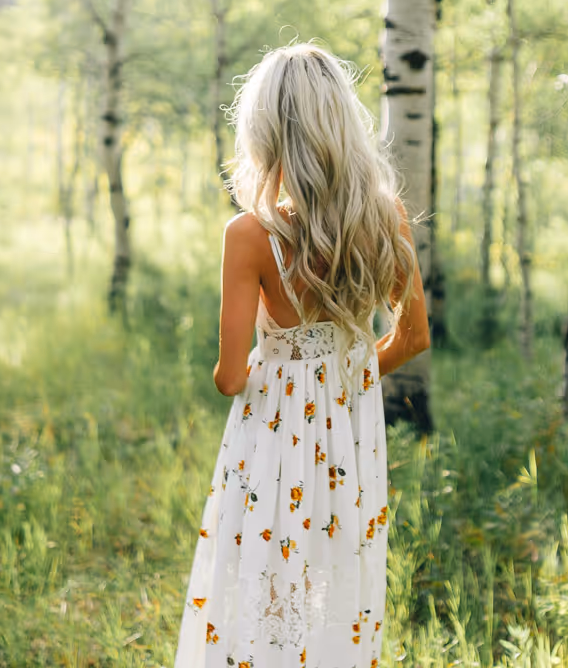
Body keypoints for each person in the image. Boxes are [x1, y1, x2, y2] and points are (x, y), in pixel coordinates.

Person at [173, 43, 430, 667]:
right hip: (348, 438)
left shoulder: (250, 235)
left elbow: (231, 378)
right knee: (336, 575)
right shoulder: (385, 217)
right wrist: (348, 378)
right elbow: (414, 335)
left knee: (265, 576)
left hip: (271, 443)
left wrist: (273, 368)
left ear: (266, 134)